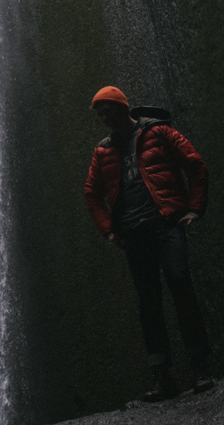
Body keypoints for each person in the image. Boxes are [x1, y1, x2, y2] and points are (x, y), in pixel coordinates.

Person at [83, 85, 215, 400]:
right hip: (133, 233)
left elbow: (195, 164)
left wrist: (195, 208)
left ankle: (200, 368)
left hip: (166, 223)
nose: (104, 118)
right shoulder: (103, 151)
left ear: (122, 107)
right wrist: (109, 231)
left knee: (180, 283)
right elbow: (91, 192)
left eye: (108, 110)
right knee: (148, 301)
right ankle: (162, 377)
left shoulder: (158, 133)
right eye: (100, 114)